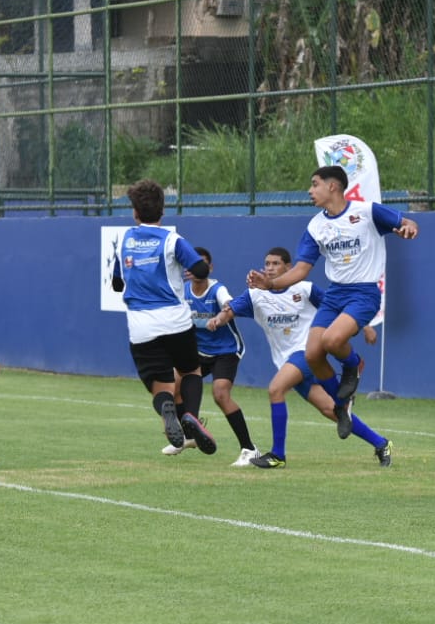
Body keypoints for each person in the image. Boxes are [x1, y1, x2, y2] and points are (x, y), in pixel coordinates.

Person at [245, 165, 417, 441]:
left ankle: (354, 364)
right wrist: (270, 284)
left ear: (332, 186)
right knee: (313, 354)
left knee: (332, 341)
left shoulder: (367, 211)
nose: (310, 191)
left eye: (314, 184)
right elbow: (301, 270)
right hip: (336, 294)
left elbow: (407, 223)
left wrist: (408, 227)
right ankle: (342, 407)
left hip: (363, 293)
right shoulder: (315, 226)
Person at [209, 246, 389, 469]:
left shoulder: (304, 289)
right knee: (331, 410)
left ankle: (278, 455)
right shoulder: (255, 294)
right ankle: (381, 443)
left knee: (276, 389)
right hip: (286, 360)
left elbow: (341, 308)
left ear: (289, 267)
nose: (271, 268)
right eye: (267, 263)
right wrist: (218, 319)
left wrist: (366, 325)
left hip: (307, 352)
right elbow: (230, 309)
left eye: (276, 263)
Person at [109, 178, 217, 456]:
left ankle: (169, 409)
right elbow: (201, 270)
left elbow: (117, 284)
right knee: (191, 371)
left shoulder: (124, 240)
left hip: (141, 324)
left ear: (134, 212)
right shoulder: (172, 240)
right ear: (163, 210)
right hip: (175, 319)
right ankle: (190, 415)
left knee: (161, 387)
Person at [181, 246, 261, 466]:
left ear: (210, 267)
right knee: (174, 382)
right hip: (200, 351)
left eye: (203, 263)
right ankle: (189, 436)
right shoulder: (182, 291)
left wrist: (221, 316)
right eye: (193, 264)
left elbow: (228, 303)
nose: (197, 268)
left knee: (220, 394)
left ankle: (249, 448)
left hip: (226, 350)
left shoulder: (217, 289)